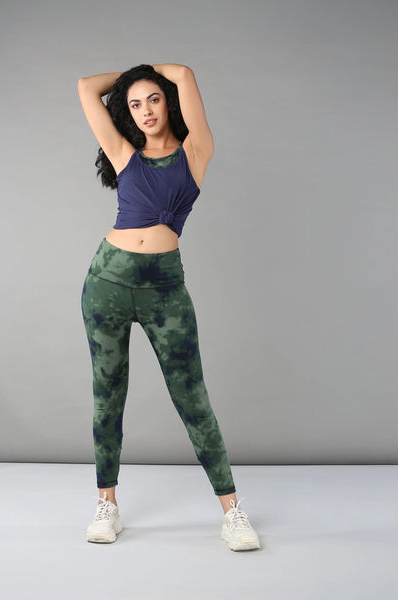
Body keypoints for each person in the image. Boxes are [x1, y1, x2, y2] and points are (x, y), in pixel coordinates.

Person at [77, 63, 260, 551]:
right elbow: (86, 88)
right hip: (107, 283)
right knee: (107, 395)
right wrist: (133, 80)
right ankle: (107, 504)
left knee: (193, 399)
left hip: (164, 289)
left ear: (168, 102)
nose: (145, 111)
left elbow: (182, 72)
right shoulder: (123, 153)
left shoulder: (196, 151)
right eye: (134, 104)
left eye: (153, 99)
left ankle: (233, 512)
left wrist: (151, 72)